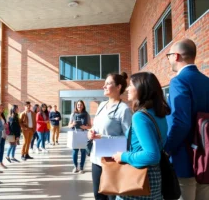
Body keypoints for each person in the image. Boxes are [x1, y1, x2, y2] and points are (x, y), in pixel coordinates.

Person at [112, 72, 171, 200]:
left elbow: (152, 155)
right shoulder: (158, 113)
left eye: (131, 85)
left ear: (141, 88)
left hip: (140, 180)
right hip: (154, 177)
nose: (127, 88)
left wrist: (123, 156)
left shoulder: (140, 117)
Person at [165, 39, 209, 199]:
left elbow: (180, 122)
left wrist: (167, 148)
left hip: (185, 159)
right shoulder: (207, 81)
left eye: (168, 55)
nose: (168, 59)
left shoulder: (179, 81)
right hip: (206, 160)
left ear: (176, 56)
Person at [88, 72, 132, 200]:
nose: (104, 86)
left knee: (112, 196)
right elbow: (96, 128)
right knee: (98, 195)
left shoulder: (123, 109)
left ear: (118, 87)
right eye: (105, 83)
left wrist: (104, 138)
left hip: (112, 161)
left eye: (108, 83)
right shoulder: (101, 105)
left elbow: (128, 138)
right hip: (96, 159)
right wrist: (91, 132)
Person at [68, 100, 91, 174]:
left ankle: (81, 167)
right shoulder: (73, 114)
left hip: (83, 133)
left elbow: (90, 126)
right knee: (75, 151)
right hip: (75, 133)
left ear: (83, 106)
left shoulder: (86, 114)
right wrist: (73, 124)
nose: (79, 106)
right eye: (78, 105)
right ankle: (75, 166)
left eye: (81, 105)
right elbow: (69, 125)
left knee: (83, 151)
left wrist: (85, 127)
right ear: (76, 106)